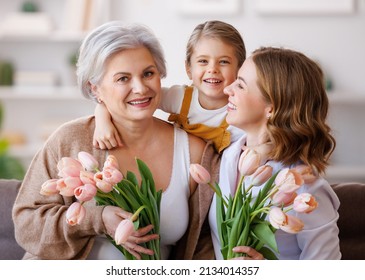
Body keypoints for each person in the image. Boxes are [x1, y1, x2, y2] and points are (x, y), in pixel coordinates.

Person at [12, 21, 218, 260]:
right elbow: (26, 224)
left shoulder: (194, 152)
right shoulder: (70, 140)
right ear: (95, 89)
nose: (140, 88)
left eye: (148, 73)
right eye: (123, 79)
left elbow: (205, 240)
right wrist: (95, 219)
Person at [177, 47, 341, 260]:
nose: (228, 89)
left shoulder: (306, 188)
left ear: (271, 107)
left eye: (241, 85)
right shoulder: (229, 152)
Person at [93, 20, 246, 153]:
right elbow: (131, 100)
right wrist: (102, 121)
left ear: (240, 69)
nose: (213, 69)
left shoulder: (242, 107)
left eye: (224, 62)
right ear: (189, 69)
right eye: (203, 61)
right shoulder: (180, 98)